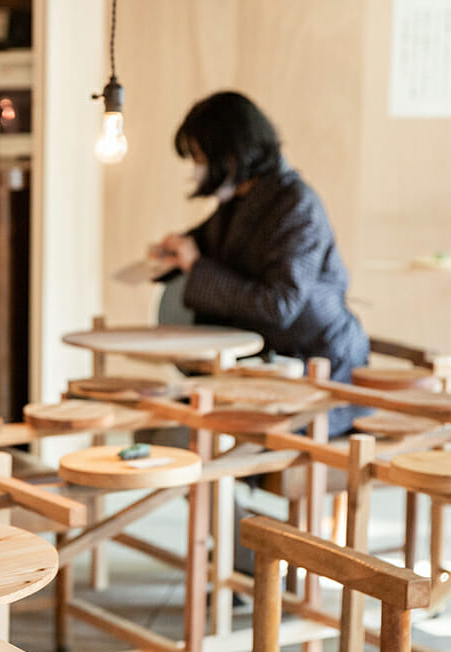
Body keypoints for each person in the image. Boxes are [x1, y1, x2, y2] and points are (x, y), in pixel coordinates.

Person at [155, 90, 369, 434]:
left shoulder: (296, 206)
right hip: (268, 363)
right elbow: (203, 242)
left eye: (199, 156)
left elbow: (279, 304)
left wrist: (195, 266)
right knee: (177, 419)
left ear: (231, 153)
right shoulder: (240, 201)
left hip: (317, 366)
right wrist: (174, 250)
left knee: (196, 429)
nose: (197, 169)